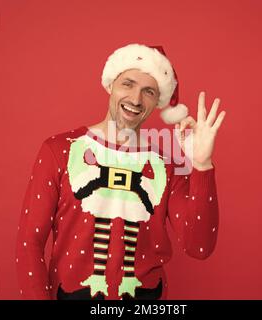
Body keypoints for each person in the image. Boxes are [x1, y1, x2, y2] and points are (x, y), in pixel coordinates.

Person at [15, 43, 226, 300]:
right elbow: (29, 243)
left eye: (148, 91)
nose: (136, 99)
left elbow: (199, 246)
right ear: (110, 84)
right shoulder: (59, 151)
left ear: (157, 100)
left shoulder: (166, 166)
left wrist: (202, 164)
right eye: (128, 84)